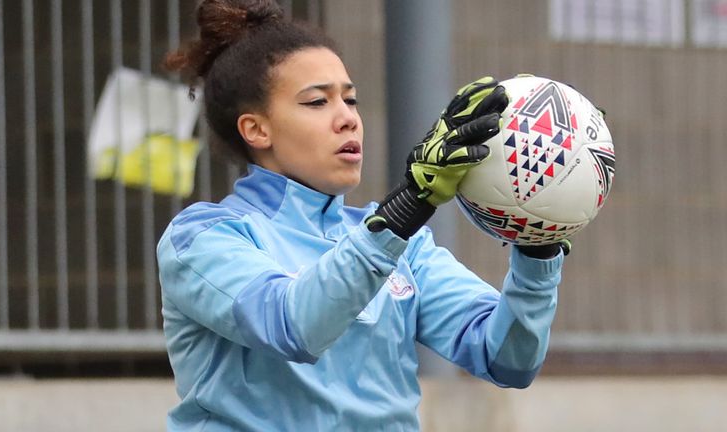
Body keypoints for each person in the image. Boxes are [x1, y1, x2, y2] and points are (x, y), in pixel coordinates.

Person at [157, 0, 566, 430]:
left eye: (350, 100)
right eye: (317, 102)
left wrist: (538, 247)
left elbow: (506, 359)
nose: (348, 119)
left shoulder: (401, 245)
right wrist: (407, 207)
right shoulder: (202, 237)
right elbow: (292, 324)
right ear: (257, 129)